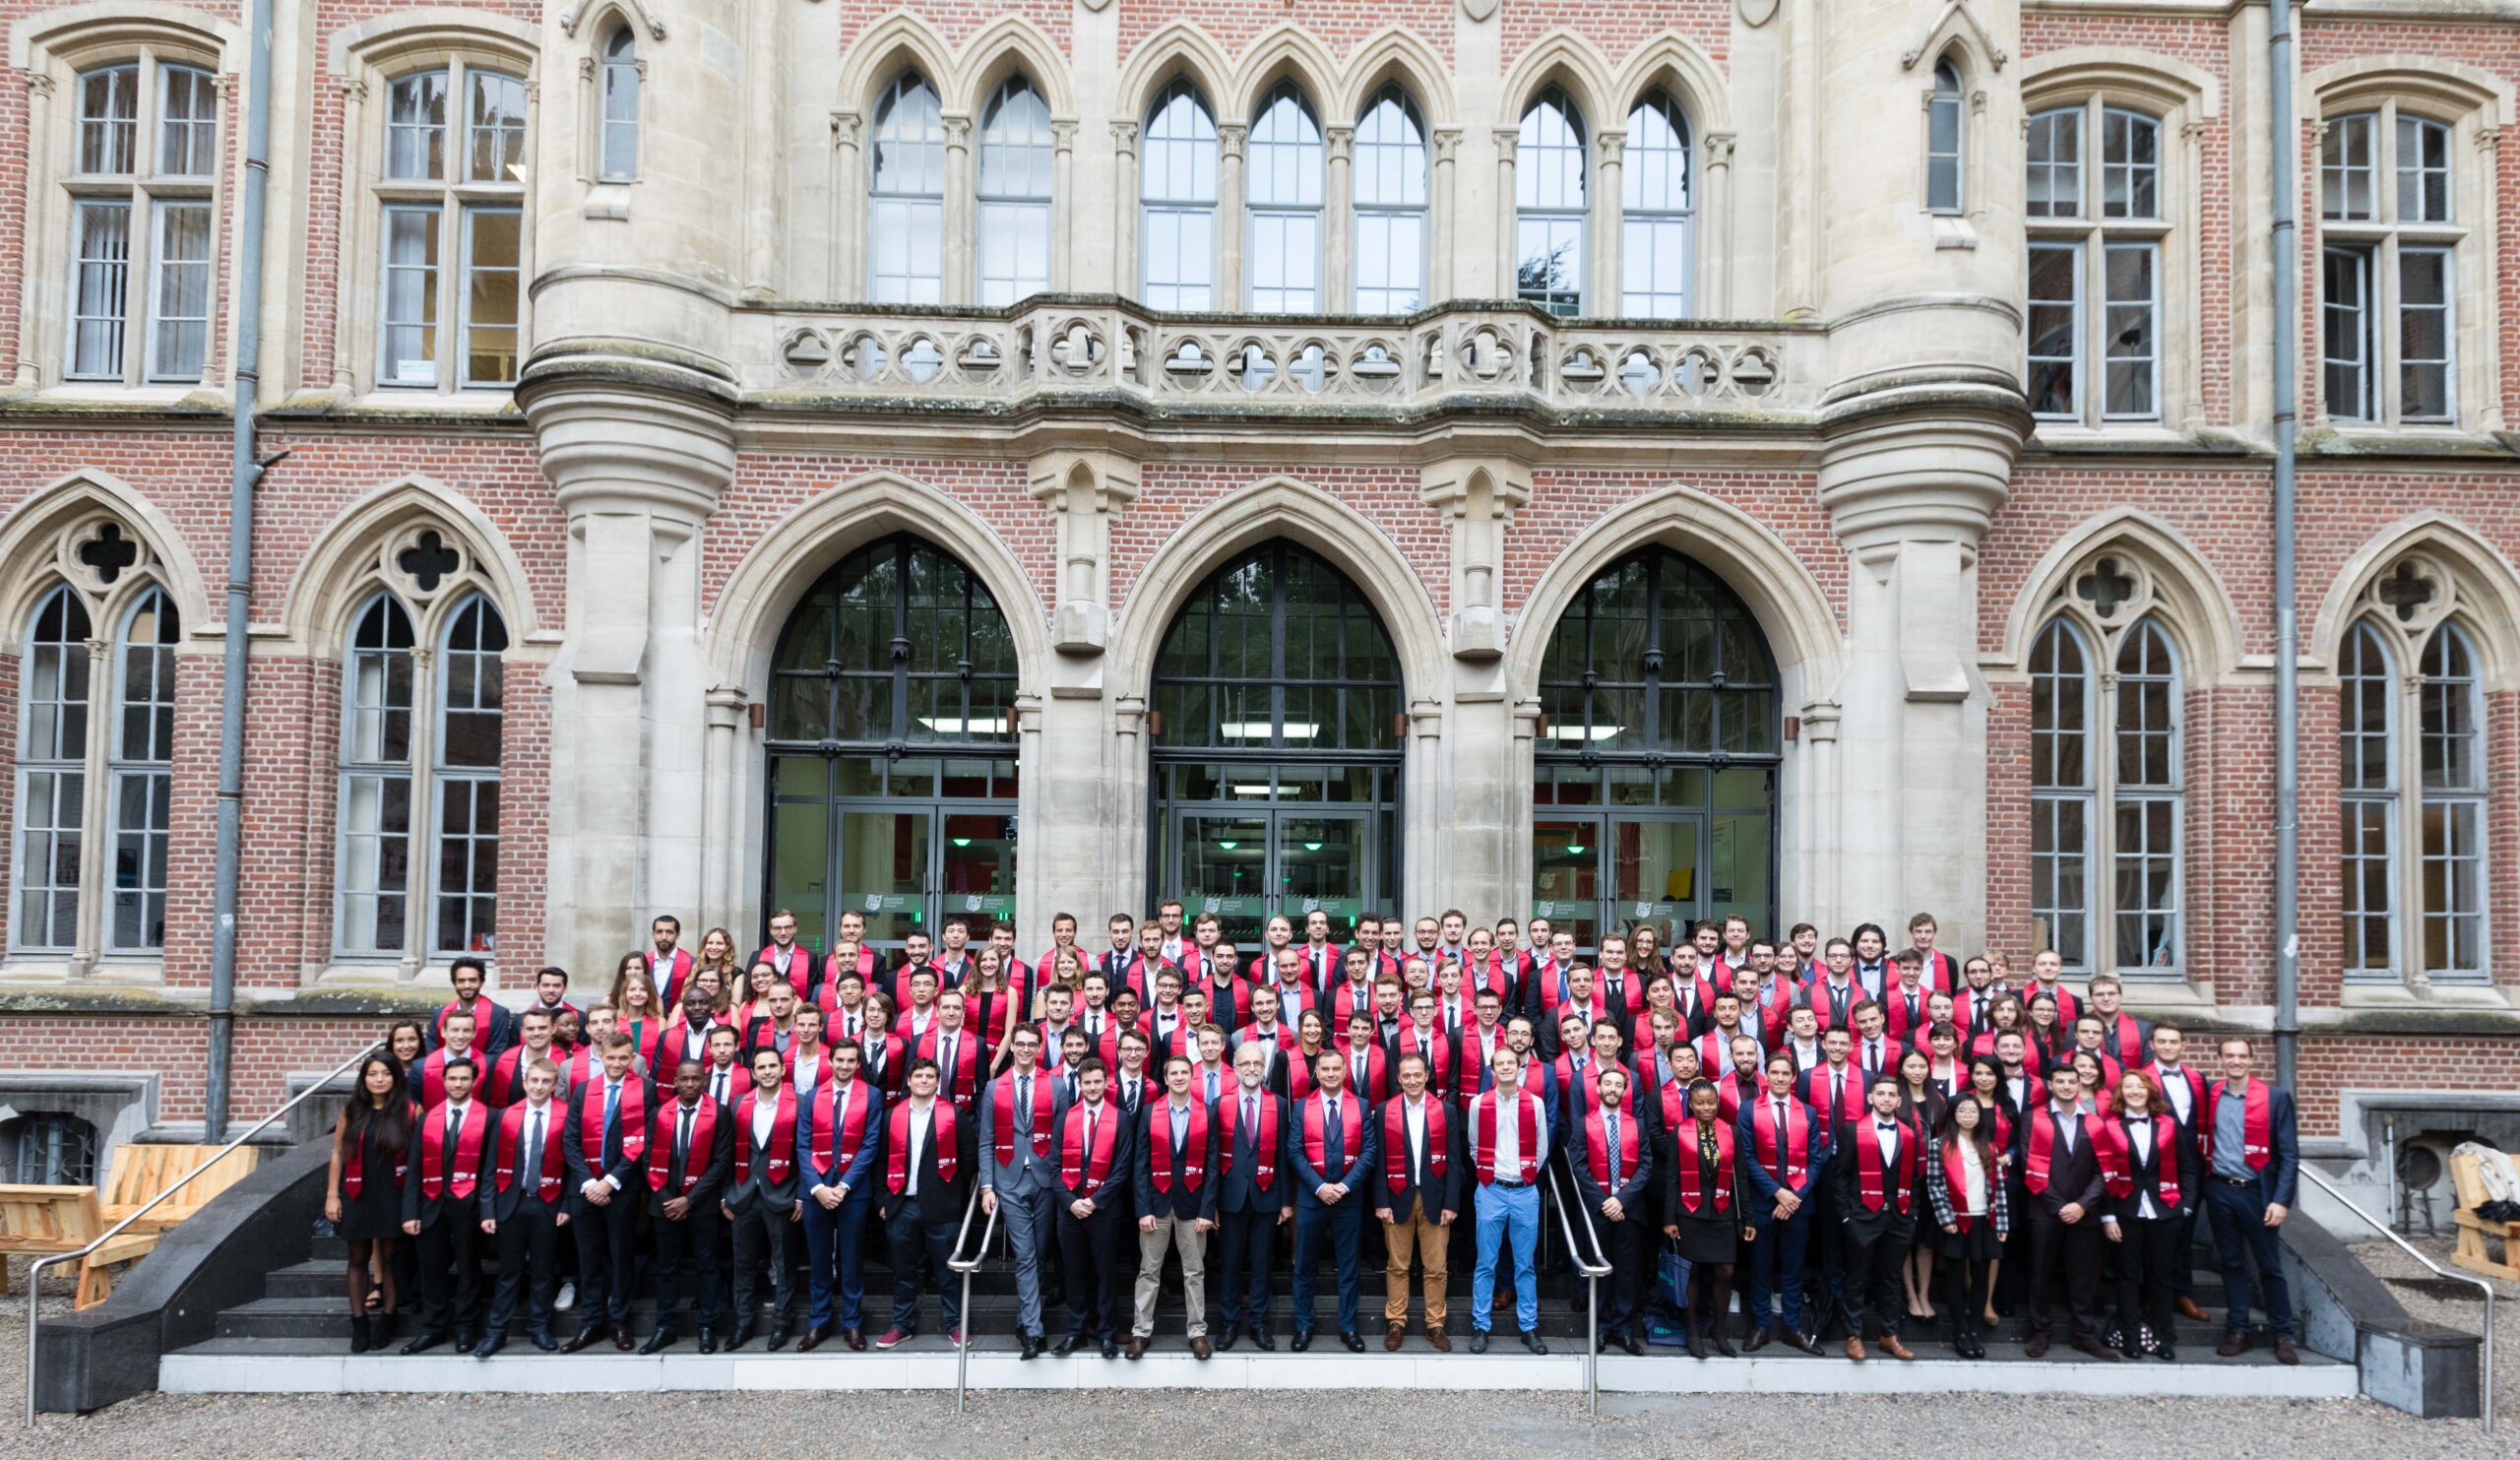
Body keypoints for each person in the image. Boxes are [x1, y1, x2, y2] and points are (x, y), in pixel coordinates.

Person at [2204, 1037, 2300, 1364]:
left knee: (2269, 1267)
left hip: (2257, 1192)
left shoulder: (2275, 1098)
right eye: (2229, 1055)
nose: (2236, 1061)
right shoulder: (2211, 1095)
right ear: (2220, 1059)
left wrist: (2281, 1199)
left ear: (2251, 1060)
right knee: (2230, 1264)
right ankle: (2238, 1329)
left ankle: (2283, 1333)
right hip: (2220, 1190)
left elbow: (2289, 1155)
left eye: (2242, 1056)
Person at [980, 1026, 1069, 1360]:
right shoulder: (994, 1088)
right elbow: (986, 1139)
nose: (1026, 1050)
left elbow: (1063, 1139)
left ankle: (1024, 1317)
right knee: (1025, 1254)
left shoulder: (1056, 1085)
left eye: (1032, 1044)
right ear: (1012, 1046)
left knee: (1040, 1251)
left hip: (1045, 1179)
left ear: (1039, 1047)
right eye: (1020, 1044)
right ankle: (1034, 1330)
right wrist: (987, 1185)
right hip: (1009, 1178)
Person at [2098, 1068, 2198, 1361]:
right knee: (2127, 1276)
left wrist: (2186, 1206)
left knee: (2162, 1277)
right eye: (2128, 1087)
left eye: (2140, 1086)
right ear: (2121, 1093)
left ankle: (2165, 1337)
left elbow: (2188, 1169)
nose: (2134, 1091)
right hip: (2124, 1210)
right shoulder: (2110, 1126)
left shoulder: (2168, 1124)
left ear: (2150, 1091)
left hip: (2165, 1211)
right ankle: (2131, 1337)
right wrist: (2107, 1216)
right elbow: (2103, 1174)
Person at [474, 1056, 570, 1357]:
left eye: (545, 1081)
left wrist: (566, 1204)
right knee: (508, 1271)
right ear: (525, 1082)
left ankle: (539, 1328)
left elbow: (572, 1167)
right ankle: (497, 1332)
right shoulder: (506, 1116)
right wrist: (488, 1210)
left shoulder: (566, 1115)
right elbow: (490, 1167)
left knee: (543, 1271)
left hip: (548, 1203)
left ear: (555, 1085)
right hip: (511, 1203)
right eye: (534, 1080)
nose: (539, 1086)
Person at [2018, 1062, 2114, 1361]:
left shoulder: (2095, 1122)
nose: (2067, 1087)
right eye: (2060, 1081)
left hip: (2084, 1212)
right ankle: (2040, 1332)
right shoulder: (2033, 1119)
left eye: (2072, 1081)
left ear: (2080, 1085)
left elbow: (2105, 1170)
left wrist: (2082, 1205)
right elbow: (2027, 1165)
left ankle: (2084, 1334)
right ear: (2050, 1085)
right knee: (2040, 1273)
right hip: (2045, 1210)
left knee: (2084, 1275)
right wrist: (2059, 1206)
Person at [877, 1056, 974, 1349]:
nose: (923, 1081)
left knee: (948, 1272)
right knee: (903, 1271)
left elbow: (968, 1160)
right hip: (901, 1204)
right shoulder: (891, 1116)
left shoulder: (954, 1114)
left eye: (930, 1076)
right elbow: (880, 1161)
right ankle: (901, 1325)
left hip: (942, 1207)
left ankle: (956, 1325)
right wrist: (883, 1199)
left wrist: (952, 1194)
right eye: (918, 1076)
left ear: (937, 1081)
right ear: (908, 1080)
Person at [560, 1032, 648, 1352]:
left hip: (621, 1190)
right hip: (585, 1190)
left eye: (623, 1058)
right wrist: (588, 1182)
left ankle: (619, 1322)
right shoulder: (584, 1090)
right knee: (589, 1258)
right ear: (601, 1056)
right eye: (611, 1058)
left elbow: (643, 1141)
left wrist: (610, 1181)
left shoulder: (644, 1090)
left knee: (621, 1257)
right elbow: (569, 1140)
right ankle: (590, 1323)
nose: (616, 1064)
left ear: (632, 1057)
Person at [1128, 1054, 1219, 1359]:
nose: (1179, 1077)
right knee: (1148, 1271)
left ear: (1192, 1077)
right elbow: (1139, 1165)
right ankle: (1141, 1332)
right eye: (1173, 1073)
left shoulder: (1207, 1113)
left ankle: (1197, 1333)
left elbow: (1212, 1166)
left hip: (1193, 1208)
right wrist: (1143, 1209)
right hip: (1155, 1206)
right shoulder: (1149, 1112)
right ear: (1165, 1079)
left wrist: (1208, 1211)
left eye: (1184, 1072)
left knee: (1194, 1272)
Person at [1288, 1047, 1376, 1353]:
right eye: (1324, 1069)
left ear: (1345, 1071)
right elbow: (1295, 1153)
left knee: (1349, 1266)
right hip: (1312, 1199)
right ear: (1316, 1073)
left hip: (1348, 1200)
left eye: (1336, 1068)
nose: (1330, 1074)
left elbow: (1369, 1152)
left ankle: (1348, 1326)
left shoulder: (1362, 1106)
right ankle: (1303, 1326)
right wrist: (1319, 1187)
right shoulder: (1301, 1107)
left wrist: (1345, 1186)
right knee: (1305, 1265)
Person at [399, 1055, 489, 1354]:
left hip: (469, 1206)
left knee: (468, 1269)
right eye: (452, 1078)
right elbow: (414, 1168)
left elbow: (491, 1169)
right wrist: (410, 1211)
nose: (458, 1084)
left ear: (474, 1082)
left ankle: (466, 1328)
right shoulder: (428, 1118)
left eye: (464, 1078)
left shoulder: (489, 1117)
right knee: (431, 1270)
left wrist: (486, 1210)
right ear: (444, 1081)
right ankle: (433, 1328)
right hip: (431, 1205)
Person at [325, 1049, 413, 1353]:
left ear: (395, 1077)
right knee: (358, 1259)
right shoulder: (351, 1110)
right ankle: (359, 1323)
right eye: (373, 1074)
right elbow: (338, 1152)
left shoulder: (411, 1110)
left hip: (394, 1193)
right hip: (357, 1193)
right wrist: (332, 1195)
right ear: (364, 1079)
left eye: (386, 1073)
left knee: (389, 1260)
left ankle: (388, 1320)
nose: (379, 1079)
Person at [643, 1057, 733, 1353]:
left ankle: (707, 1326)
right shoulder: (659, 1113)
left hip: (702, 1206)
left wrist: (689, 1199)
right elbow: (648, 1160)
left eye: (696, 1079)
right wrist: (667, 1198)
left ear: (704, 1080)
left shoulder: (719, 1114)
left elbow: (722, 1162)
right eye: (684, 1079)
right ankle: (665, 1327)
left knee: (707, 1268)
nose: (690, 1084)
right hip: (665, 1204)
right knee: (667, 1269)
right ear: (675, 1081)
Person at [1372, 1050, 1459, 1352]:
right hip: (1396, 1198)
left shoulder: (1445, 1110)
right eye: (1406, 1075)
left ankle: (1435, 1325)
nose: (1412, 1080)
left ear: (1427, 1076)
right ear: (1398, 1078)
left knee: (1436, 1266)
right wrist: (1381, 1201)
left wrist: (1452, 1203)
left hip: (1435, 1198)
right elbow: (1379, 1160)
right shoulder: (1384, 1111)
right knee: (1397, 1265)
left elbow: (1454, 1160)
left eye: (1417, 1074)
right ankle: (1396, 1322)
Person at [1830, 1074, 1922, 1362]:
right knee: (1856, 1278)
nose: (1885, 1098)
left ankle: (1889, 1334)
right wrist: (1846, 1217)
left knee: (1892, 1279)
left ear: (1898, 1100)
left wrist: (1912, 1215)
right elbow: (1841, 1177)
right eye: (1880, 1093)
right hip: (1861, 1218)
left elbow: (1915, 1179)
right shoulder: (1851, 1131)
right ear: (1870, 1098)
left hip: (1898, 1218)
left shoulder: (1909, 1134)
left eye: (1890, 1094)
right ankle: (1854, 1335)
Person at [1740, 1050, 1826, 1354]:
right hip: (1764, 1203)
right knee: (1760, 1269)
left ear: (1793, 1078)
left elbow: (1816, 1160)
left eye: (1784, 1073)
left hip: (1798, 1205)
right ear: (1766, 1075)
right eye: (1773, 1072)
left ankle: (1792, 1327)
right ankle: (1760, 1326)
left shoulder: (1809, 1113)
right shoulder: (1749, 1110)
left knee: (1793, 1269)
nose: (1779, 1078)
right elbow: (1747, 1158)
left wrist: (1793, 1196)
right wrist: (1778, 1193)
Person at [798, 1040, 880, 1352]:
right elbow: (803, 1146)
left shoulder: (870, 1096)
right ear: (829, 1061)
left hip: (853, 1191)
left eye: (851, 1061)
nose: (845, 1066)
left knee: (851, 1260)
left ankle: (852, 1324)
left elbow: (870, 1146)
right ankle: (818, 1323)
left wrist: (844, 1186)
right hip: (816, 1191)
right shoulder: (811, 1097)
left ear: (858, 1064)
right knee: (819, 1261)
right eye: (840, 1060)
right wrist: (818, 1188)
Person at [1466, 1045, 1548, 1356]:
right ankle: (1480, 1326)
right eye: (1499, 1063)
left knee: (1524, 1263)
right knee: (1486, 1262)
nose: (1505, 1068)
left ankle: (1529, 1327)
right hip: (1491, 1190)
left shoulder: (1535, 1104)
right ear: (1492, 1069)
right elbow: (1474, 1146)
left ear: (1519, 1067)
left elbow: (1541, 1148)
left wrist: (1525, 1175)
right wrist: (1491, 1175)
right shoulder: (1478, 1104)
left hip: (1525, 1190)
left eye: (1511, 1063)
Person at [722, 1046, 804, 1351]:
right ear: (753, 1072)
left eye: (773, 1066)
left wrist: (802, 1197)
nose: (767, 1071)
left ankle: (782, 1324)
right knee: (743, 1264)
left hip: (783, 1195)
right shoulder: (739, 1104)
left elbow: (804, 1154)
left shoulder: (800, 1104)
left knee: (783, 1265)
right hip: (743, 1195)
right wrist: (725, 1196)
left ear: (783, 1070)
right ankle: (744, 1323)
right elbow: (725, 1152)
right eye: (761, 1067)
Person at [1573, 1063, 1657, 1356]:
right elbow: (1579, 1167)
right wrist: (1605, 1201)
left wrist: (1622, 1199)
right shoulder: (1584, 1123)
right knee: (1600, 1270)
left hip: (1630, 1210)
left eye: (1618, 1085)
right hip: (1598, 1211)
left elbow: (1646, 1166)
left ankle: (1623, 1329)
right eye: (1607, 1084)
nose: (1612, 1089)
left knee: (1627, 1272)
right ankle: (1601, 1328)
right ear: (1598, 1089)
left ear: (1625, 1090)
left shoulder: (1637, 1124)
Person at [1054, 1057, 1135, 1358]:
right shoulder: (1065, 1118)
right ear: (1079, 1084)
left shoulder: (1122, 1119)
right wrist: (1071, 1201)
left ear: (1106, 1083)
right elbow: (1053, 1167)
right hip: (1070, 1211)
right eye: (1086, 1082)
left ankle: (1106, 1333)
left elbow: (1122, 1169)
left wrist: (1095, 1200)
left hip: (1105, 1211)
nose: (1092, 1087)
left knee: (1105, 1274)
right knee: (1074, 1273)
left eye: (1097, 1082)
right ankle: (1075, 1332)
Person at [1661, 1075, 1746, 1358]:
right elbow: (1672, 1177)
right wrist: (1669, 1219)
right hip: (1690, 1212)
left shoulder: (1731, 1132)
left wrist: (1748, 1218)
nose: (1707, 1108)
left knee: (1726, 1271)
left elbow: (1740, 1178)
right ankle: (1692, 1331)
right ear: (1692, 1106)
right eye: (1700, 1103)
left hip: (1722, 1212)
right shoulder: (1680, 1132)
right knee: (1692, 1272)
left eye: (1711, 1102)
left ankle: (1719, 1331)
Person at [1215, 1041, 1292, 1350]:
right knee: (1230, 1265)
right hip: (1230, 1198)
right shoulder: (1220, 1103)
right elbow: (1211, 1159)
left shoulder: (1279, 1104)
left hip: (1267, 1196)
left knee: (1262, 1264)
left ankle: (1259, 1323)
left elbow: (1285, 1157)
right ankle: (1230, 1323)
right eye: (1245, 1064)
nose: (1251, 1069)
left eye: (1257, 1064)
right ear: (1235, 1068)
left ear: (1264, 1068)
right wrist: (1212, 1204)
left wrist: (1286, 1200)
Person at [1925, 1092, 2009, 1359]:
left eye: (1973, 1111)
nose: (1968, 1115)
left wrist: (2002, 1222)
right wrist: (1946, 1218)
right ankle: (1959, 1331)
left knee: (1981, 1277)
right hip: (1955, 1220)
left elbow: (1998, 1188)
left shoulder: (1990, 1147)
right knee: (1954, 1277)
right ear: (1953, 1114)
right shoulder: (1940, 1145)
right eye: (1963, 1111)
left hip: (1984, 1219)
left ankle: (1975, 1331)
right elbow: (1935, 1185)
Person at [428, 956, 515, 1054]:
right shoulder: (439, 1014)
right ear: (454, 983)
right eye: (461, 981)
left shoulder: (498, 1014)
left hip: (483, 1068)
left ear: (481, 982)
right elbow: (432, 1052)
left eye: (472, 980)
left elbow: (496, 1054)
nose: (467, 986)